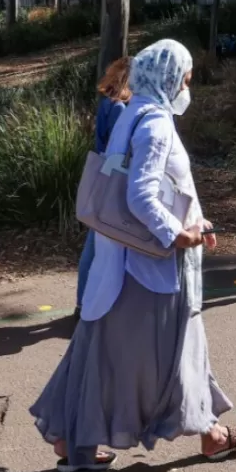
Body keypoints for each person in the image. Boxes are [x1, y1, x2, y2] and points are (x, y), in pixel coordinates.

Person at [30, 40, 236, 472]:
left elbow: (157, 189)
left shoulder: (132, 112)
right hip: (148, 267)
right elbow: (140, 196)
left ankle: (69, 440)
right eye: (186, 80)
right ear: (169, 78)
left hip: (122, 262)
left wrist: (197, 224)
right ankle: (209, 434)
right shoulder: (155, 122)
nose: (187, 89)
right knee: (176, 349)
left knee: (103, 351)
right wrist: (177, 236)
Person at [75, 57, 132, 318]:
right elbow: (118, 150)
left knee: (94, 241)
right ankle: (90, 303)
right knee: (101, 243)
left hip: (101, 175)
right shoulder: (121, 108)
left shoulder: (106, 104)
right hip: (114, 178)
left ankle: (82, 301)